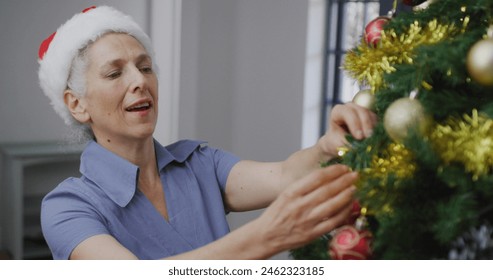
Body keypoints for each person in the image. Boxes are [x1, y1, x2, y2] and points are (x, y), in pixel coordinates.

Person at [38, 6, 377, 260]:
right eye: (114, 74)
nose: (140, 81)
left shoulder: (199, 163)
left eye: (145, 67)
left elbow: (286, 176)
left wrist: (326, 147)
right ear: (77, 104)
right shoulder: (68, 208)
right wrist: (266, 236)